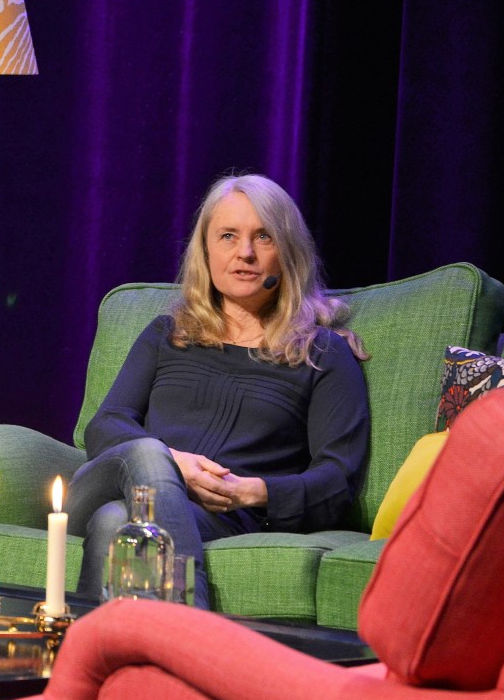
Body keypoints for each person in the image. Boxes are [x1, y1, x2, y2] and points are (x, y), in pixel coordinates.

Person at [65, 173, 370, 608]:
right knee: (147, 455)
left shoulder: (320, 353)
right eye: (228, 236)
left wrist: (253, 491)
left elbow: (337, 480)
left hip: (219, 517)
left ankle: (97, 649)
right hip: (108, 484)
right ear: (205, 251)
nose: (245, 253)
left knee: (117, 522)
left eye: (263, 236)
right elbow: (106, 425)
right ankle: (193, 625)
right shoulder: (168, 333)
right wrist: (173, 465)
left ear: (287, 252)